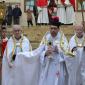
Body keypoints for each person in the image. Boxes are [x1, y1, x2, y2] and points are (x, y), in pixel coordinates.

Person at [39, 18, 68, 85]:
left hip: (58, 66)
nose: (53, 30)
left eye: (55, 28)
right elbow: (39, 51)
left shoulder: (62, 39)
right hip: (48, 66)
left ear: (58, 29)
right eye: (51, 28)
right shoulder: (46, 38)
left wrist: (59, 51)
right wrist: (45, 53)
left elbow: (67, 53)